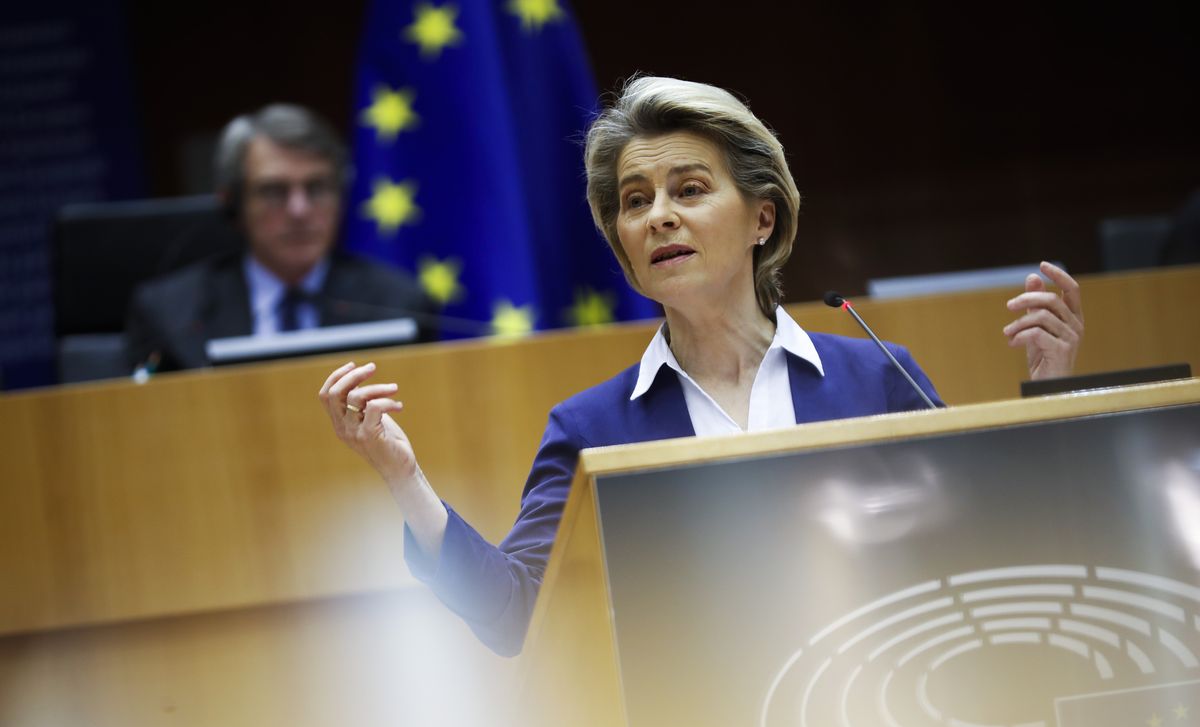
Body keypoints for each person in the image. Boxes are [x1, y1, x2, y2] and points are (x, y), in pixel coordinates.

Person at [318, 77, 1085, 656]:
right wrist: (401, 476)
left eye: (688, 190)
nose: (658, 215)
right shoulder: (593, 426)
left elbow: (994, 557)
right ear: (625, 247)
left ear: (762, 217)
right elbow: (513, 615)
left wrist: (1051, 396)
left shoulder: (877, 377)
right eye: (635, 200)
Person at [126, 104, 436, 372]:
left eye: (317, 188)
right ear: (233, 203)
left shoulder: (400, 303)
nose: (299, 210)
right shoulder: (170, 313)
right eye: (274, 191)